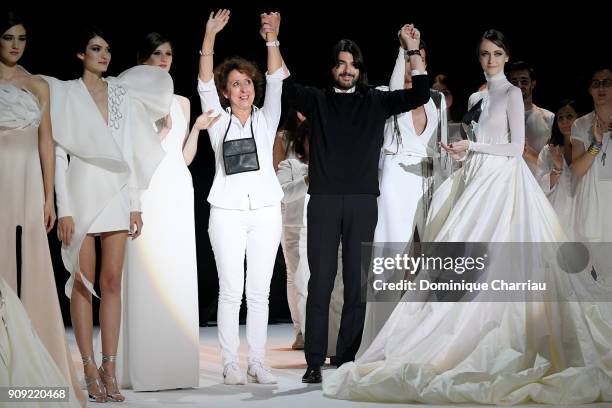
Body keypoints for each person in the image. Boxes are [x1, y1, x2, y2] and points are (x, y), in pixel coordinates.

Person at [324, 29, 612, 405]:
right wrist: (462, 152)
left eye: (496, 53)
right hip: (475, 175)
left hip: (503, 184)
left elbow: (512, 147)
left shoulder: (510, 93)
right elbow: (483, 141)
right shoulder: (477, 95)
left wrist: (472, 145)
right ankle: (443, 337)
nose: (490, 59)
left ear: (506, 56)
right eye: (484, 54)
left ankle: (496, 338)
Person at [279, 21, 430, 383]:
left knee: (356, 286)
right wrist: (273, 40)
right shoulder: (317, 99)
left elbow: (421, 93)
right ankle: (314, 360)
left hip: (363, 202)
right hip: (325, 202)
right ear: (332, 68)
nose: (347, 70)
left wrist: (412, 49)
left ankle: (346, 356)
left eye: (353, 64)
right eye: (341, 64)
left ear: (360, 69)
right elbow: (282, 86)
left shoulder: (375, 101)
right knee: (321, 282)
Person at [46, 26, 173, 402]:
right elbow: (56, 151)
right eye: (95, 49)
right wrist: (64, 208)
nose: (104, 55)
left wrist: (135, 203)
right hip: (81, 192)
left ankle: (110, 368)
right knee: (84, 282)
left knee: (113, 282)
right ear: (80, 55)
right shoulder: (65, 94)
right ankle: (87, 367)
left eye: (107, 50)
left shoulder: (121, 94)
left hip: (117, 191)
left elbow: (131, 148)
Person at [119, 32, 219, 391]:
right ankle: (143, 366)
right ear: (142, 59)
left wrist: (194, 129)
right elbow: (132, 152)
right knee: (148, 272)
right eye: (156, 54)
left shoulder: (181, 101)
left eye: (169, 54)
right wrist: (159, 133)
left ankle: (174, 366)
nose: (164, 60)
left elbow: (183, 158)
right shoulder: (129, 97)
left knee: (176, 272)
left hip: (177, 186)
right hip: (147, 190)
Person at [197, 9, 286, 385]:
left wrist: (272, 39)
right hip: (226, 212)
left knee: (261, 292)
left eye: (248, 82)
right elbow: (203, 82)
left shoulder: (267, 119)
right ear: (225, 92)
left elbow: (278, 77)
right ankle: (231, 362)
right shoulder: (218, 120)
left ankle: (258, 361)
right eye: (235, 84)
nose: (244, 88)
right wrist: (209, 37)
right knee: (231, 290)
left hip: (266, 211)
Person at [0, 12, 84, 405]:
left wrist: (49, 197)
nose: (16, 45)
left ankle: (38, 373)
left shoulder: (37, 85)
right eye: (8, 38)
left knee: (33, 265)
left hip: (29, 183)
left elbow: (47, 144)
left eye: (22, 38)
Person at [359, 29, 449, 354]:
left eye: (419, 57)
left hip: (427, 178)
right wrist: (404, 47)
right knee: (391, 256)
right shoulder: (389, 93)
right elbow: (399, 87)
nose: (414, 63)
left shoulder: (436, 101)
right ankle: (380, 341)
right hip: (395, 178)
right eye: (410, 58)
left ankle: (416, 339)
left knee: (425, 259)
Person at [275, 114, 344, 356]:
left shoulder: (333, 163)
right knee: (301, 283)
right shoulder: (291, 165)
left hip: (326, 230)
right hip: (297, 230)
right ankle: (309, 336)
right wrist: (307, 178)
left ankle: (327, 338)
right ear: (302, 141)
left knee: (332, 286)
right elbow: (280, 195)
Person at [570, 66, 612, 285]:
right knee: (596, 269)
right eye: (596, 83)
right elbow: (577, 170)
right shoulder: (581, 124)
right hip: (593, 199)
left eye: (607, 82)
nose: (602, 88)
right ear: (589, 90)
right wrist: (596, 144)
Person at [536, 99, 580, 238]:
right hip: (555, 214)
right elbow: (540, 186)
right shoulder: (548, 151)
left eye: (569, 116)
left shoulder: (588, 149)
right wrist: (557, 169)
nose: (564, 121)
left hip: (581, 213)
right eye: (560, 118)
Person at [508, 61, 555, 175]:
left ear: (533, 84)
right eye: (514, 82)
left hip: (538, 184)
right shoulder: (500, 119)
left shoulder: (549, 118)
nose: (519, 86)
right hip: (508, 183)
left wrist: (529, 153)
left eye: (524, 81)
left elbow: (554, 160)